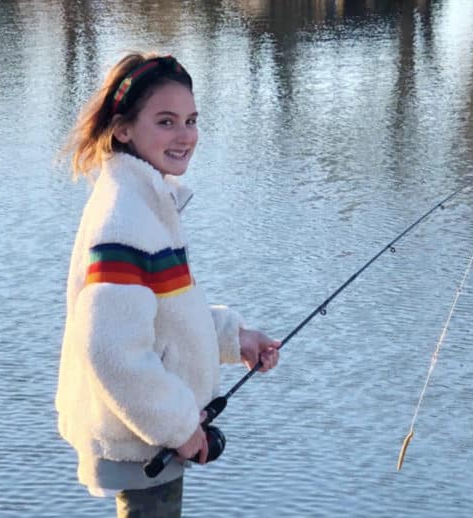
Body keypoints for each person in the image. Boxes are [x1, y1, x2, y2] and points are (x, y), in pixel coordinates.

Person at [55, 51, 280, 517]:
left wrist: (235, 339)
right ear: (122, 128)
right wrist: (180, 428)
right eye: (166, 121)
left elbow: (165, 316)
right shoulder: (124, 218)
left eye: (192, 120)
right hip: (143, 445)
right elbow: (112, 352)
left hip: (150, 440)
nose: (185, 136)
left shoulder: (147, 200)